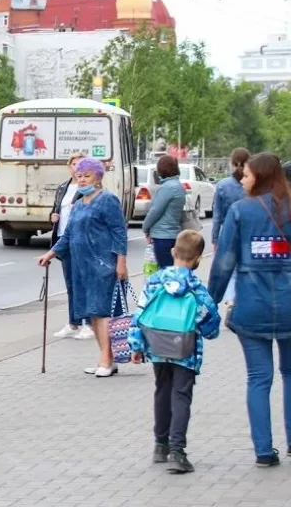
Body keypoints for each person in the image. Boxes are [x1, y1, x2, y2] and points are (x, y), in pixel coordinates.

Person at [208, 153, 291, 467]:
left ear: (260, 177)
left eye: (247, 174)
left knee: (259, 378)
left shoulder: (240, 211)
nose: (241, 179)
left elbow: (224, 262)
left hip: (251, 306)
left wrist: (210, 301)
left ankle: (263, 451)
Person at [128, 230, 221, 474]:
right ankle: (178, 450)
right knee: (181, 396)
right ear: (199, 258)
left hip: (158, 346)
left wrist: (137, 346)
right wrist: (210, 331)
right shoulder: (196, 288)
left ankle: (160, 445)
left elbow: (140, 313)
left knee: (162, 391)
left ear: (172, 252)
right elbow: (210, 324)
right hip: (186, 350)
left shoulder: (155, 281)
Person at [37, 157, 128, 377]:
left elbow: (119, 232)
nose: (82, 180)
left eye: (87, 175)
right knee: (92, 314)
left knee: (102, 311)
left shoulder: (107, 200)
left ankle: (105, 360)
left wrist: (121, 262)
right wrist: (51, 253)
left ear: (98, 177)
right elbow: (68, 235)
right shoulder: (78, 204)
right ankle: (106, 358)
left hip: (102, 264)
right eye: (79, 176)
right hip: (81, 266)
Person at [50, 153, 93, 340]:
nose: (77, 169)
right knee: (70, 283)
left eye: (81, 165)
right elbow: (56, 208)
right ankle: (73, 321)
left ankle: (89, 323)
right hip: (63, 237)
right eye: (74, 165)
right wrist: (53, 216)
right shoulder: (63, 188)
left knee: (83, 282)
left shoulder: (89, 190)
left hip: (81, 240)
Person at [212, 148, 249, 305]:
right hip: (248, 233)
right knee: (244, 268)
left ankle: (230, 299)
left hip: (227, 234)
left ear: (232, 163)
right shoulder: (250, 184)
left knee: (228, 269)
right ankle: (240, 299)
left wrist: (214, 239)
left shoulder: (222, 185)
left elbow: (217, 217)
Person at [142, 155, 186, 269]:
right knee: (172, 270)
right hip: (173, 233)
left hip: (162, 236)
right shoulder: (178, 185)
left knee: (166, 272)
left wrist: (145, 227)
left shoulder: (167, 187)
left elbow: (155, 211)